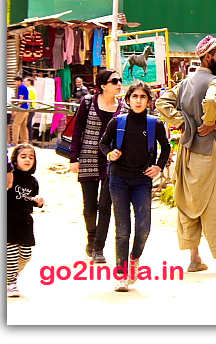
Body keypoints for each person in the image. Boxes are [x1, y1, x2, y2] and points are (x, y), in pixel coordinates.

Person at [156, 36, 216, 274]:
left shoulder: (186, 83)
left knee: (190, 202)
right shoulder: (213, 82)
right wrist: (208, 122)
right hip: (209, 152)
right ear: (207, 57)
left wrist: (182, 123)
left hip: (188, 151)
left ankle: (195, 258)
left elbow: (161, 101)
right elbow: (211, 100)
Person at [99, 81, 171, 292]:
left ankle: (135, 258)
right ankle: (121, 275)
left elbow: (165, 147)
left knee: (143, 228)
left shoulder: (154, 124)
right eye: (135, 97)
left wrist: (158, 167)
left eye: (143, 97)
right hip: (118, 179)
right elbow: (103, 143)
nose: (138, 101)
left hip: (142, 181)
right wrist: (109, 154)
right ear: (127, 100)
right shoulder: (117, 122)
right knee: (122, 230)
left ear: (149, 101)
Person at [70, 69, 127, 263]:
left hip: (112, 162)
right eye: (114, 81)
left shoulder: (124, 108)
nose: (119, 84)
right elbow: (78, 130)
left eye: (120, 80)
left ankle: (98, 247)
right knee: (89, 206)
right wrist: (74, 158)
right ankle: (91, 236)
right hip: (88, 157)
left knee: (105, 205)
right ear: (103, 85)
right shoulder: (88, 101)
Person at [7, 144, 44, 298]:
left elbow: (30, 200)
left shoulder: (33, 181)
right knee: (12, 254)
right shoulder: (10, 176)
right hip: (8, 220)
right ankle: (11, 283)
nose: (28, 160)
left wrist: (38, 202)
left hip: (25, 222)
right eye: (23, 157)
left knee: (26, 255)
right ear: (15, 161)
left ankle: (9, 276)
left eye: (31, 157)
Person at [11, 76, 30, 146]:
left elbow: (21, 99)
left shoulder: (21, 87)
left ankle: (14, 142)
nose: (15, 83)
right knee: (23, 126)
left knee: (15, 125)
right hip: (26, 109)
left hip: (22, 109)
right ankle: (25, 142)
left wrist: (16, 109)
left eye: (15, 81)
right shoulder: (24, 87)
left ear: (19, 81)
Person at [25, 77, 37, 142]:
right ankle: (29, 139)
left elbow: (30, 99)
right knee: (29, 124)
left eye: (26, 81)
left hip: (30, 108)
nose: (25, 83)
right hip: (31, 108)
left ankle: (28, 139)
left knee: (27, 124)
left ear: (29, 82)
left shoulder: (30, 89)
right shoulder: (33, 89)